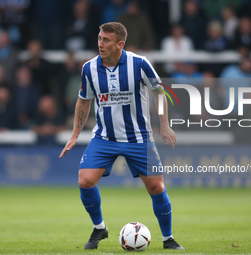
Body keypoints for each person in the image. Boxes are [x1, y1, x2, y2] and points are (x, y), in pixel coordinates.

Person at [59, 22, 184, 250]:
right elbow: (83, 101)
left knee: (156, 187)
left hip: (139, 138)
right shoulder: (89, 68)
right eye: (99, 38)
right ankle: (99, 227)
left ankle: (168, 239)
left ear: (120, 44)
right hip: (104, 138)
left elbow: (160, 92)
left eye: (106, 40)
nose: (100, 44)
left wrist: (164, 125)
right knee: (85, 181)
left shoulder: (140, 64)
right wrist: (75, 134)